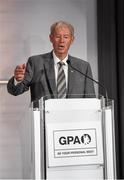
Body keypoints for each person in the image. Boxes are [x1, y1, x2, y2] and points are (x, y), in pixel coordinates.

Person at [7, 20, 95, 102]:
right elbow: (15, 91)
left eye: (66, 37)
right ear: (51, 38)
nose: (62, 41)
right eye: (58, 36)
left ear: (72, 40)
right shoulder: (35, 63)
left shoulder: (83, 67)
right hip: (44, 117)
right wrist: (17, 80)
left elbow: (91, 101)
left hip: (74, 117)